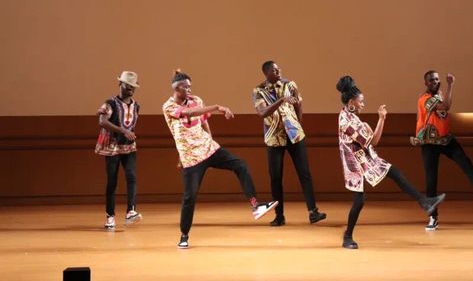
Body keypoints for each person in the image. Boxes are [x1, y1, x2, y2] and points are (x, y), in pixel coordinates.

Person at [162, 70, 277, 249]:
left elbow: (203, 121)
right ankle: (184, 235)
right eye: (185, 87)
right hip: (191, 157)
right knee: (189, 197)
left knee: (240, 165)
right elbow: (189, 113)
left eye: (190, 86)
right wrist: (217, 107)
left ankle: (256, 205)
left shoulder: (196, 99)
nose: (189, 90)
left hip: (209, 148)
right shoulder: (168, 106)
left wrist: (211, 140)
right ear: (176, 88)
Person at [336, 75, 445, 249]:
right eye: (361, 102)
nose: (363, 104)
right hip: (355, 164)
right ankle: (347, 237)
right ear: (351, 102)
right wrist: (381, 119)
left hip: (365, 158)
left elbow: (368, 139)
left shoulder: (349, 115)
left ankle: (424, 201)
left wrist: (368, 126)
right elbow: (374, 141)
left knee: (394, 172)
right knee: (359, 200)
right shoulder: (346, 121)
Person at [410, 71, 473, 231]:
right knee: (431, 180)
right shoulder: (424, 99)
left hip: (445, 139)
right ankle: (433, 217)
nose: (435, 82)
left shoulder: (439, 95)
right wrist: (451, 85)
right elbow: (445, 107)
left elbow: (442, 111)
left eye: (437, 79)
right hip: (430, 143)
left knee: (465, 161)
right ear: (426, 83)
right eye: (431, 80)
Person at [253, 61, 326, 226]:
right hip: (274, 137)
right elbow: (262, 112)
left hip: (295, 135)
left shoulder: (290, 85)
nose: (278, 71)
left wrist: (298, 124)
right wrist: (281, 100)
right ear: (266, 73)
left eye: (278, 68)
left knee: (304, 173)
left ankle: (313, 212)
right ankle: (279, 216)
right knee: (276, 177)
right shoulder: (259, 91)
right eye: (274, 70)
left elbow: (299, 105)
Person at [95, 71, 142, 231]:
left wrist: (129, 134)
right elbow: (102, 121)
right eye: (127, 85)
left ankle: (131, 211)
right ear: (120, 84)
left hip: (128, 146)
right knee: (112, 181)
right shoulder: (111, 103)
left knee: (131, 176)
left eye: (132, 86)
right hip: (112, 147)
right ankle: (110, 216)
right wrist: (123, 131)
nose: (130, 89)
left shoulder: (136, 106)